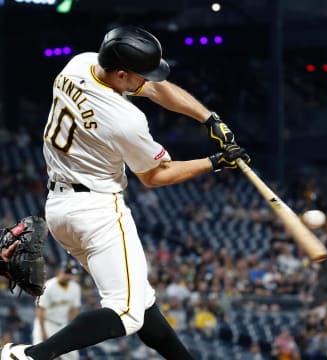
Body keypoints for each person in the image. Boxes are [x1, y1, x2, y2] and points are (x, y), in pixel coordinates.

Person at [1, 25, 250, 359]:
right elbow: (156, 176)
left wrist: (209, 119)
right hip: (98, 211)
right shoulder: (124, 120)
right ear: (120, 74)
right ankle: (29, 355)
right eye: (138, 75)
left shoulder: (79, 64)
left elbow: (156, 89)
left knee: (142, 307)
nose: (145, 81)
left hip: (60, 208)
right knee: (127, 312)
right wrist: (215, 162)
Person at [32, 260, 81, 360]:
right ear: (59, 272)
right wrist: (43, 332)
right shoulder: (48, 286)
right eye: (67, 273)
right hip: (46, 323)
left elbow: (74, 310)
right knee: (40, 354)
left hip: (62, 325)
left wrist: (73, 329)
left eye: (71, 274)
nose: (69, 276)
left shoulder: (75, 287)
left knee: (72, 356)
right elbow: (40, 310)